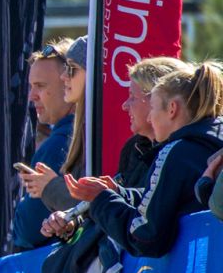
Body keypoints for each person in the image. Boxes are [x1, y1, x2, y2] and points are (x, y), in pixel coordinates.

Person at [71, 62, 223, 258]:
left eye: (152, 107)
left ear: (172, 109)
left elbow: (145, 236)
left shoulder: (175, 152)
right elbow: (173, 200)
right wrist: (121, 194)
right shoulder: (212, 145)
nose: (150, 118)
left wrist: (102, 200)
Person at [12, 40, 77, 249]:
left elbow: (27, 231)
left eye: (40, 86)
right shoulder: (80, 134)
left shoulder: (59, 143)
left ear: (69, 85)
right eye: (31, 86)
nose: (31, 96)